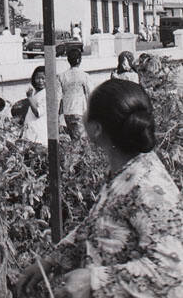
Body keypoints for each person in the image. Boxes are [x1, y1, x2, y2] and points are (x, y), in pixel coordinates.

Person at [16, 79, 183, 297]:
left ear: (95, 129)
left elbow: (172, 268)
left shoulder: (148, 186)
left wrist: (95, 280)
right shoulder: (123, 173)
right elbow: (96, 226)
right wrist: (51, 260)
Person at [58, 48, 92, 140]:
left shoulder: (62, 76)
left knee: (73, 138)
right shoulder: (84, 76)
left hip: (67, 111)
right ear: (79, 60)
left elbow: (58, 97)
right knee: (81, 140)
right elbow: (90, 94)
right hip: (80, 111)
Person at [22, 66, 48, 146]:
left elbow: (38, 113)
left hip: (38, 131)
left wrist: (29, 98)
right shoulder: (35, 92)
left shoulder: (46, 94)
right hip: (31, 130)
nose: (40, 81)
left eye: (43, 78)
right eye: (38, 78)